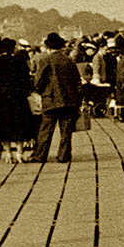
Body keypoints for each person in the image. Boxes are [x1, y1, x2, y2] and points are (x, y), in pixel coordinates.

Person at [0, 38, 37, 162]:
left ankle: (7, 152)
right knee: (19, 126)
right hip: (17, 99)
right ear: (12, 49)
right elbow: (26, 82)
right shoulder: (20, 62)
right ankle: (19, 152)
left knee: (3, 126)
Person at [31, 32, 83, 163]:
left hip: (51, 100)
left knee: (45, 130)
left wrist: (39, 91)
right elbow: (77, 81)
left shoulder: (46, 60)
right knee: (66, 130)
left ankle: (40, 155)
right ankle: (63, 155)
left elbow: (38, 80)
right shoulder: (69, 60)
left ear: (48, 47)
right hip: (69, 100)